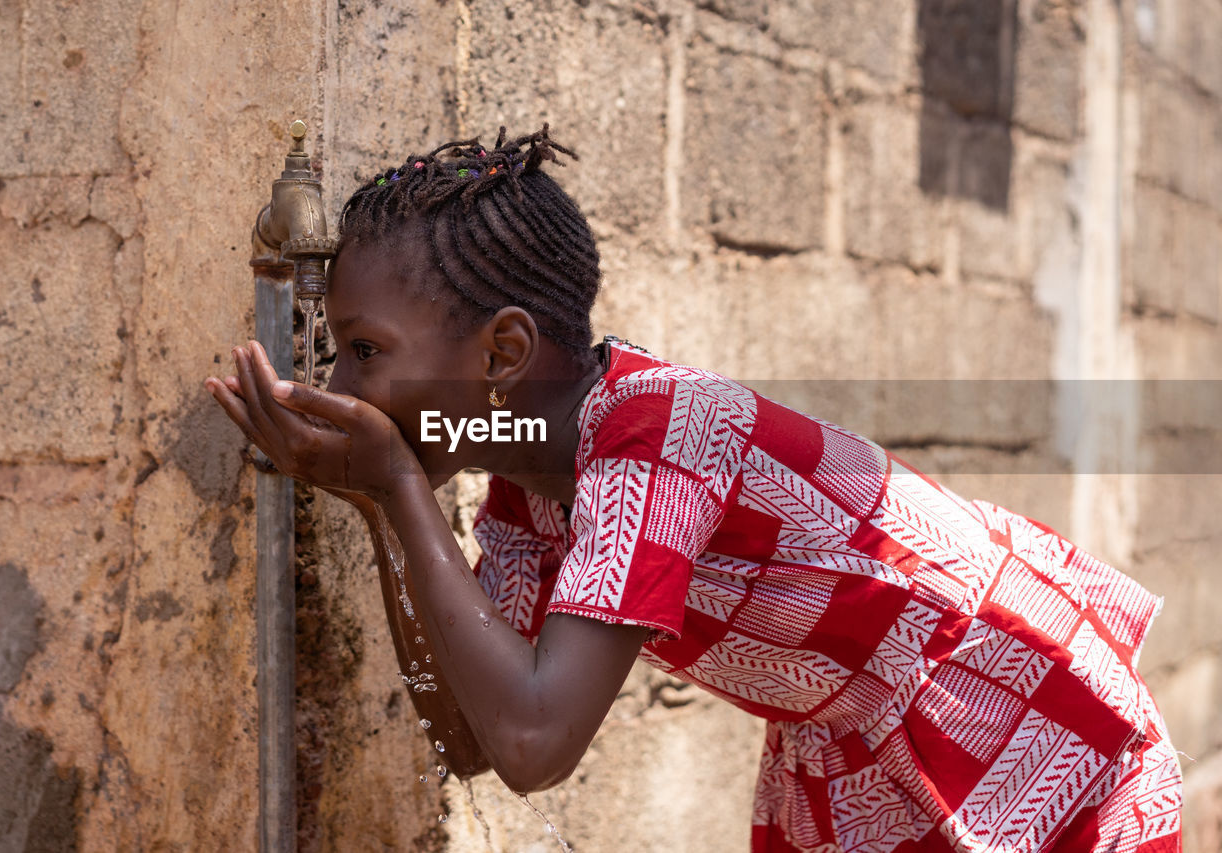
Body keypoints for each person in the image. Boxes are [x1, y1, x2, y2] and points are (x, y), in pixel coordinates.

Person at [204, 126, 1183, 852]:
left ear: (502, 351)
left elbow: (537, 739)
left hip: (1010, 718)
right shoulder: (526, 493)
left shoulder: (661, 433)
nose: (341, 393)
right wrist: (384, 504)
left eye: (365, 353)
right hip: (853, 745)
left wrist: (400, 491)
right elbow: (470, 739)